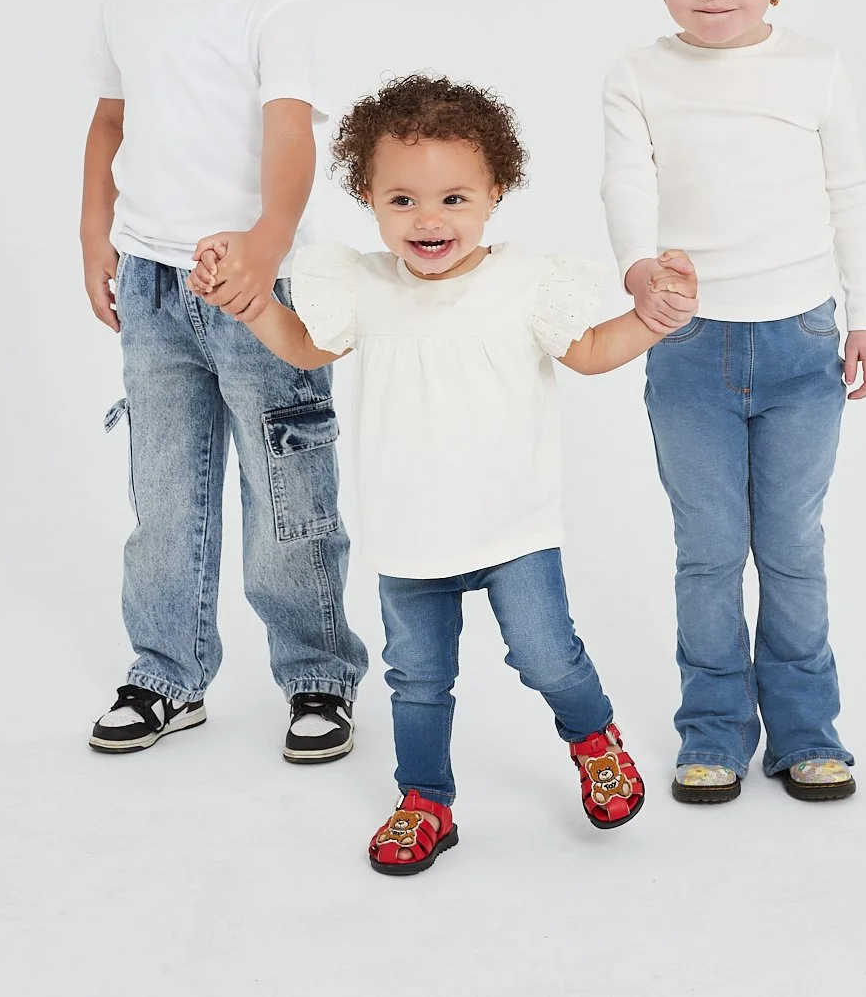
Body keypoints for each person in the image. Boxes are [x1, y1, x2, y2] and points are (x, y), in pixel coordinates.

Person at [190, 74, 699, 872]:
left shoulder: (525, 281)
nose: (429, 221)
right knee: (417, 681)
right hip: (410, 533)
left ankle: (593, 736)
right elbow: (304, 348)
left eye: (455, 199)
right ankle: (425, 799)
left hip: (513, 527)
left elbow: (592, 353)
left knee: (547, 655)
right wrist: (250, 305)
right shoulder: (362, 284)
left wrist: (651, 319)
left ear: (496, 191)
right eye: (403, 201)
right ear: (369, 196)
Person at [81, 0, 367, 761]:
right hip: (154, 283)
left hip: (258, 287)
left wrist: (265, 247)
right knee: (164, 489)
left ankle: (319, 674)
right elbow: (110, 121)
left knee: (289, 496)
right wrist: (95, 237)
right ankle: (165, 669)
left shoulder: (271, 1)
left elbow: (290, 137)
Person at [602, 0, 866, 803]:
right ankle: (715, 727)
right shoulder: (641, 74)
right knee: (710, 551)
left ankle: (808, 728)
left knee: (793, 548)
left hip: (804, 344)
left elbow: (851, 193)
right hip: (687, 347)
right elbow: (626, 180)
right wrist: (642, 269)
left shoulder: (814, 68)